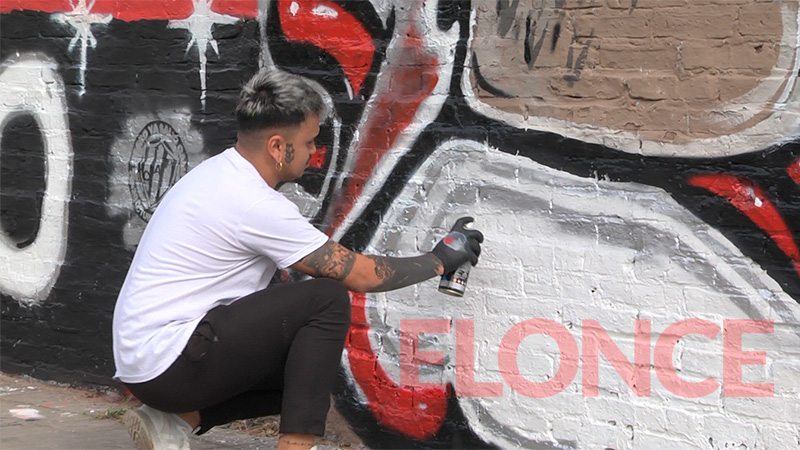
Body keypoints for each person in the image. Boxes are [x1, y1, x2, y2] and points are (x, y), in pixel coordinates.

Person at [112, 70, 483, 450]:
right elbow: (361, 275)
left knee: (308, 372)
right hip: (168, 362)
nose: (314, 151)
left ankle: (173, 422)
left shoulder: (217, 173)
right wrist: (439, 260)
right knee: (327, 299)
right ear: (277, 146)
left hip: (146, 362)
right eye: (308, 142)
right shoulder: (253, 202)